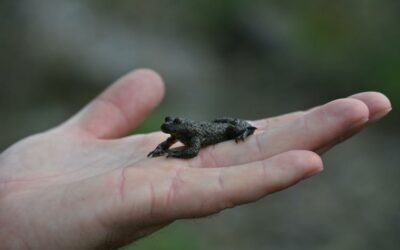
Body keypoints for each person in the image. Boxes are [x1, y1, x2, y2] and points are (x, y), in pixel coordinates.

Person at [0, 69, 391, 249]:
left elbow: (190, 151)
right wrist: (160, 148)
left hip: (222, 128)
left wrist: (237, 133)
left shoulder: (194, 136)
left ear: (185, 129)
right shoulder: (178, 132)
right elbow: (176, 145)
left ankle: (243, 130)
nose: (170, 130)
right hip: (208, 128)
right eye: (170, 128)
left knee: (239, 126)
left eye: (173, 128)